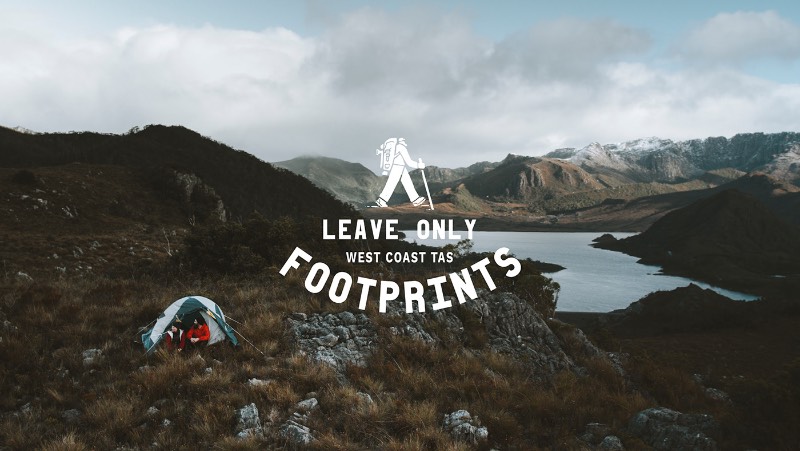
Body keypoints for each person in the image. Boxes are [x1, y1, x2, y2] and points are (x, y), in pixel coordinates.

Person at [375, 137, 426, 207]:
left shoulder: (397, 147)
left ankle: (415, 199)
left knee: (407, 182)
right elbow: (409, 162)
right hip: (397, 167)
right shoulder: (401, 148)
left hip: (401, 167)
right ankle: (381, 200)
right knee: (392, 184)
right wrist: (419, 165)